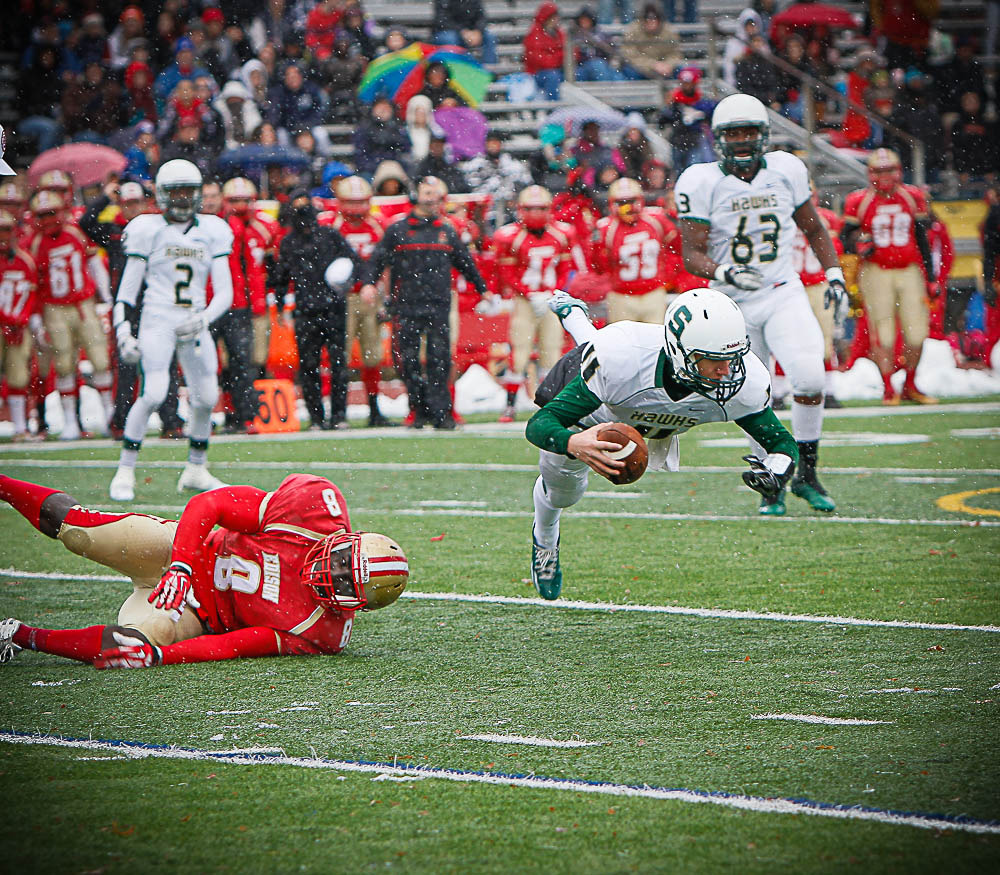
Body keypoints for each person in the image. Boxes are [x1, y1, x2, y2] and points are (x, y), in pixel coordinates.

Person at [525, 287, 799, 599]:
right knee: (564, 493)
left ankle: (574, 315)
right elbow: (539, 425)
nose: (726, 372)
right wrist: (573, 442)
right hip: (598, 409)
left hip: (639, 401)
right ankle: (545, 539)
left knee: (603, 352)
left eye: (732, 358)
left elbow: (782, 444)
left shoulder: (742, 379)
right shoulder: (619, 357)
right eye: (713, 361)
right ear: (681, 353)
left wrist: (777, 472)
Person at [0, 473, 408, 668]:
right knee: (74, 529)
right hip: (185, 553)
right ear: (348, 538)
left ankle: (18, 634)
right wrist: (181, 567)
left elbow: (238, 644)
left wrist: (162, 654)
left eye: (342, 582)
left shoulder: (323, 631)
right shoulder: (313, 507)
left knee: (136, 645)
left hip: (197, 613)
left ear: (358, 606)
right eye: (340, 562)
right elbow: (209, 505)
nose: (328, 574)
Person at [674, 94, 847, 516]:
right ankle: (771, 486)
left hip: (782, 289)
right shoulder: (700, 181)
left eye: (749, 131)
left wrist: (835, 274)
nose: (742, 140)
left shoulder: (787, 169)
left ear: (764, 134)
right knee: (754, 394)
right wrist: (726, 272)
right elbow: (691, 253)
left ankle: (807, 473)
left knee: (809, 380)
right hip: (732, 305)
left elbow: (813, 227)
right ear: (718, 138)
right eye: (733, 132)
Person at [108, 160, 234, 502]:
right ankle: (125, 469)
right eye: (175, 192)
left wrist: (205, 318)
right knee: (153, 392)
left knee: (207, 396)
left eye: (187, 192)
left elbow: (225, 292)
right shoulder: (147, 228)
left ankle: (196, 468)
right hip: (158, 318)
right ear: (163, 194)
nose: (181, 199)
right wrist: (123, 331)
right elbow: (127, 291)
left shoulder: (213, 229)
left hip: (193, 319)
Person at [359, 177, 489, 429]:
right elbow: (377, 260)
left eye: (436, 194)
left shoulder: (447, 230)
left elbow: (465, 262)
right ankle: (417, 410)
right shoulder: (397, 229)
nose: (431, 198)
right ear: (415, 195)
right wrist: (368, 283)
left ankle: (441, 414)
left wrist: (483, 288)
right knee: (407, 361)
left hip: (438, 304)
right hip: (405, 305)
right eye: (427, 192)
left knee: (439, 359)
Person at [79, 180, 184, 440]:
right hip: (127, 307)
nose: (132, 208)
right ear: (120, 205)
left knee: (166, 362)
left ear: (145, 203)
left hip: (157, 304)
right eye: (127, 203)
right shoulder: (114, 231)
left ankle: (170, 421)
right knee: (125, 365)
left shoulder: (158, 229)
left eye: (136, 203)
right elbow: (85, 223)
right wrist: (104, 197)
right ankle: (122, 422)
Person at [841, 149, 937, 405]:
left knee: (917, 333)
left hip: (909, 268)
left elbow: (922, 239)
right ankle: (887, 388)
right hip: (876, 270)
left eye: (889, 170)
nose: (884, 176)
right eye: (879, 171)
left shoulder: (912, 196)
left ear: (899, 171)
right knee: (883, 335)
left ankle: (910, 384)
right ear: (869, 173)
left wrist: (931, 276)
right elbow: (846, 238)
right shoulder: (858, 200)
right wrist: (859, 243)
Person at [269, 189, 362, 430]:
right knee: (308, 365)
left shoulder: (330, 236)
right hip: (306, 310)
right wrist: (280, 304)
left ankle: (339, 416)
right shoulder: (289, 242)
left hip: (333, 308)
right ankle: (317, 417)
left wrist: (348, 283)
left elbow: (354, 262)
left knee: (338, 364)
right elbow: (281, 276)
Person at [493, 185, 586, 421]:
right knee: (519, 354)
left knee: (551, 354)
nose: (535, 213)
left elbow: (566, 268)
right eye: (530, 208)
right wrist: (527, 292)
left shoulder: (561, 234)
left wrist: (554, 293)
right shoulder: (511, 236)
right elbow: (507, 273)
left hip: (550, 300)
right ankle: (510, 406)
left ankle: (549, 405)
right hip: (525, 301)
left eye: (541, 208)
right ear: (521, 209)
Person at [27, 190, 114, 440]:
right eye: (42, 215)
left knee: (99, 358)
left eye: (51, 213)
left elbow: (93, 262)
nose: (47, 219)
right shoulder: (35, 243)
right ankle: (70, 422)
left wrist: (106, 296)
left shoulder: (75, 232)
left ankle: (108, 415)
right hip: (53, 307)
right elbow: (33, 280)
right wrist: (35, 316)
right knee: (64, 364)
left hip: (83, 303)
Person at [322, 176, 394, 427]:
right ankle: (337, 412)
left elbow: (385, 264)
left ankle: (374, 409)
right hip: (339, 300)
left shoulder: (378, 225)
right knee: (338, 355)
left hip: (369, 296)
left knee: (372, 355)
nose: (355, 209)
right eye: (350, 203)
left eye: (360, 202)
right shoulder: (329, 224)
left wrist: (382, 293)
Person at [593, 177, 680, 324]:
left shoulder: (656, 219)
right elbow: (599, 266)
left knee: (656, 341)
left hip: (653, 292)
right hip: (622, 296)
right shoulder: (606, 228)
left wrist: (667, 276)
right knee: (625, 344)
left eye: (631, 201)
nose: (628, 207)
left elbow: (675, 248)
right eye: (622, 203)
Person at [0, 209, 42, 441]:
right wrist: (8, 321)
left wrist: (21, 321)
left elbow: (31, 294)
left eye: (6, 230)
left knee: (18, 376)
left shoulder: (25, 261)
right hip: (6, 324)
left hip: (17, 326)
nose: (2, 235)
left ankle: (19, 428)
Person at [658, 66, 715, 170]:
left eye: (690, 83)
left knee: (694, 168)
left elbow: (711, 114)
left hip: (695, 141)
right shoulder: (675, 102)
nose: (687, 86)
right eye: (684, 83)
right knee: (679, 169)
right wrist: (669, 107)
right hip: (678, 142)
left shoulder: (702, 102)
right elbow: (662, 121)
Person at [353, 96, 412, 179]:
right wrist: (378, 166)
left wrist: (394, 165)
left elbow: (406, 150)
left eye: (387, 107)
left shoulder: (399, 128)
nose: (384, 109)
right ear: (373, 109)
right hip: (371, 170)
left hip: (395, 169)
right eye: (380, 106)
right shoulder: (364, 128)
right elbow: (360, 155)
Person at [621, 4, 682, 81]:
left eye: (654, 19)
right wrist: (652, 64)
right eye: (648, 19)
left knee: (682, 72)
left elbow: (675, 53)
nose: (651, 22)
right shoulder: (633, 31)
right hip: (640, 68)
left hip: (664, 68)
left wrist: (668, 64)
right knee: (629, 72)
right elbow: (630, 55)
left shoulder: (669, 32)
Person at [432, 0, 498, 65]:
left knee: (490, 37)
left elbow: (481, 17)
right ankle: (455, 68)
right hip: (447, 31)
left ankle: (488, 70)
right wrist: (463, 31)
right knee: (450, 39)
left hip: (470, 32)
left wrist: (478, 31)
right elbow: (442, 20)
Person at [523, 3, 565, 102]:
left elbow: (571, 54)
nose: (556, 20)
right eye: (553, 17)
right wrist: (559, 58)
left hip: (558, 72)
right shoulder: (534, 34)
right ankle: (554, 109)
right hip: (538, 74)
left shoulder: (559, 33)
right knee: (552, 76)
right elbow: (539, 60)